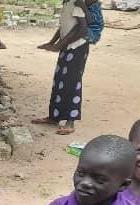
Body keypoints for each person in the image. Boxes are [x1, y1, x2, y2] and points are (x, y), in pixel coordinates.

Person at [32, 0, 99, 135]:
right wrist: (52, 42)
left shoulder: (77, 3)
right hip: (67, 47)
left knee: (72, 83)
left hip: (76, 48)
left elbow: (82, 29)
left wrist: (59, 45)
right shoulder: (67, 2)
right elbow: (63, 27)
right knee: (59, 82)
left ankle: (70, 122)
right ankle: (54, 117)